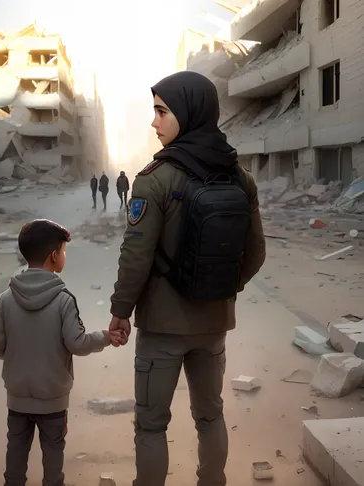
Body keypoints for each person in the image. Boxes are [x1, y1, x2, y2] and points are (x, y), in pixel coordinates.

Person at [108, 71, 266, 486]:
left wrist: (120, 312)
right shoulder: (240, 177)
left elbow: (135, 258)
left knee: (152, 425)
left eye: (162, 111)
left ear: (188, 113)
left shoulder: (155, 180)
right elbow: (257, 253)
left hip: (162, 326)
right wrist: (223, 290)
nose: (154, 122)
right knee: (210, 415)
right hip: (214, 324)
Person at [0, 219, 123, 486]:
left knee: (15, 453)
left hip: (17, 399)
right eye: (63, 251)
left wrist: (18, 358)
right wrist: (106, 337)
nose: (64, 256)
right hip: (53, 401)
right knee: (53, 457)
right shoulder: (63, 300)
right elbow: (78, 343)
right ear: (53, 256)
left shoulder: (6, 298)